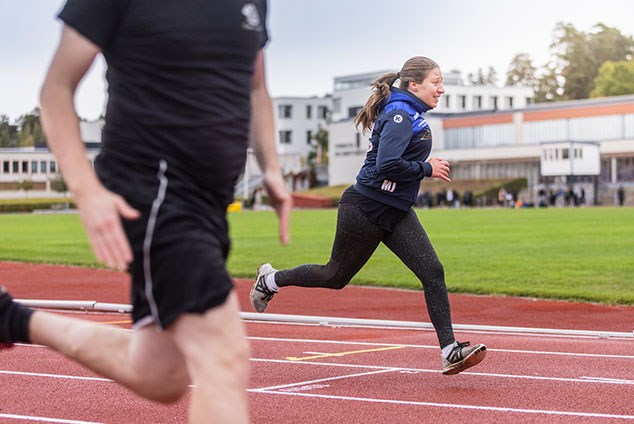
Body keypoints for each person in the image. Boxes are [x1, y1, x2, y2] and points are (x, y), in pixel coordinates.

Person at [0, 1, 292, 423]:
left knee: (159, 373)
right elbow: (56, 89)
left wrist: (272, 169)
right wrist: (86, 190)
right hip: (151, 191)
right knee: (223, 355)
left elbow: (255, 87)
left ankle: (11, 319)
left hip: (208, 204)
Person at [249, 56, 486, 375]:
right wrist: (426, 169)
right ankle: (270, 279)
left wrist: (421, 170)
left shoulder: (411, 112)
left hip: (396, 211)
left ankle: (449, 349)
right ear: (414, 85)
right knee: (334, 277)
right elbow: (387, 164)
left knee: (432, 271)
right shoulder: (401, 114)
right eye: (436, 82)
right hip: (365, 208)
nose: (441, 89)